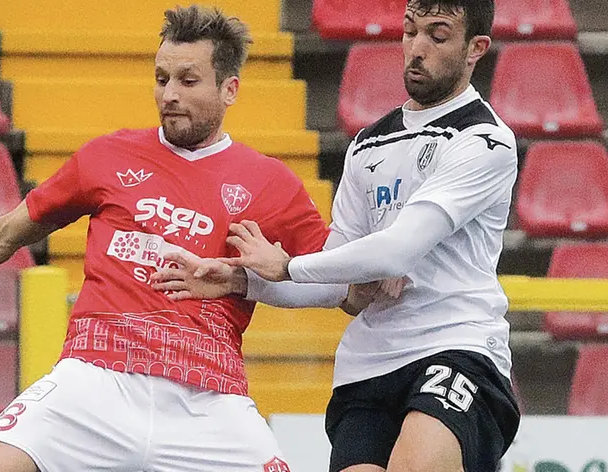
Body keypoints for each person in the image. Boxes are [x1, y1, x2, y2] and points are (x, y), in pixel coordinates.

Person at [0, 5, 391, 472]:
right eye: (161, 78)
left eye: (189, 80)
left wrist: (274, 269)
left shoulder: (272, 184)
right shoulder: (108, 156)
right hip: (94, 379)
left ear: (230, 89)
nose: (169, 94)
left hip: (208, 398)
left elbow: (351, 292)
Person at [152, 1, 521, 471]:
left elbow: (396, 251)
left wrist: (286, 265)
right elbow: (340, 280)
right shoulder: (368, 143)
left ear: (476, 48)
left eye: (438, 35)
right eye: (410, 31)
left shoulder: (484, 140)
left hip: (455, 348)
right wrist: (243, 281)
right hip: (368, 366)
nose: (416, 48)